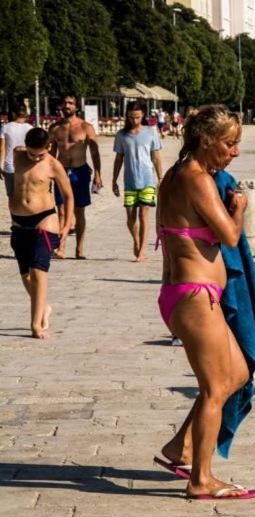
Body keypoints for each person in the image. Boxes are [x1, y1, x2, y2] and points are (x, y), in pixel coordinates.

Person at [154, 105, 255, 500]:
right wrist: (239, 210)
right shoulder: (196, 179)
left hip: (192, 295)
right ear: (206, 141)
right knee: (216, 387)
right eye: (230, 144)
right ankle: (201, 479)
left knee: (236, 375)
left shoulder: (177, 174)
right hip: (193, 297)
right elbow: (229, 236)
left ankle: (179, 446)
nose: (233, 152)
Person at [8, 128, 73, 339]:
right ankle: (43, 307)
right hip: (19, 222)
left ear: (49, 148)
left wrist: (65, 226)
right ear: (25, 146)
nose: (35, 158)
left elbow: (68, 196)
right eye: (31, 153)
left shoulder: (53, 165)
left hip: (45, 220)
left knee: (38, 271)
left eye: (40, 154)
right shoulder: (18, 155)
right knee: (26, 275)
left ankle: (35, 324)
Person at [49, 94, 103, 259]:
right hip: (61, 171)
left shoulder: (86, 127)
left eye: (70, 103)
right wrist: (48, 176)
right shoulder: (55, 128)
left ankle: (79, 249)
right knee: (62, 210)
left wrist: (98, 174)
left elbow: (94, 152)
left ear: (76, 106)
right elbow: (50, 154)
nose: (67, 105)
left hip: (80, 171)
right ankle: (61, 248)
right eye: (65, 102)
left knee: (80, 211)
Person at [112, 101, 163, 262]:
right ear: (127, 116)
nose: (135, 120)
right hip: (129, 181)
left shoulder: (150, 132)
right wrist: (114, 180)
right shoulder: (121, 135)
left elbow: (155, 156)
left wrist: (160, 177)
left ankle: (142, 250)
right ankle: (135, 240)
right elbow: (118, 158)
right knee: (130, 217)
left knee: (143, 214)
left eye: (138, 117)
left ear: (143, 116)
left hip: (147, 179)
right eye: (132, 117)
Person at [1, 105, 33, 199]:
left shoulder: (5, 127)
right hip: (26, 165)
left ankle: (14, 213)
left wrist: (0, 165)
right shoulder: (30, 128)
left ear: (13, 114)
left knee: (11, 196)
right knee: (25, 194)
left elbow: (1, 149)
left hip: (9, 165)